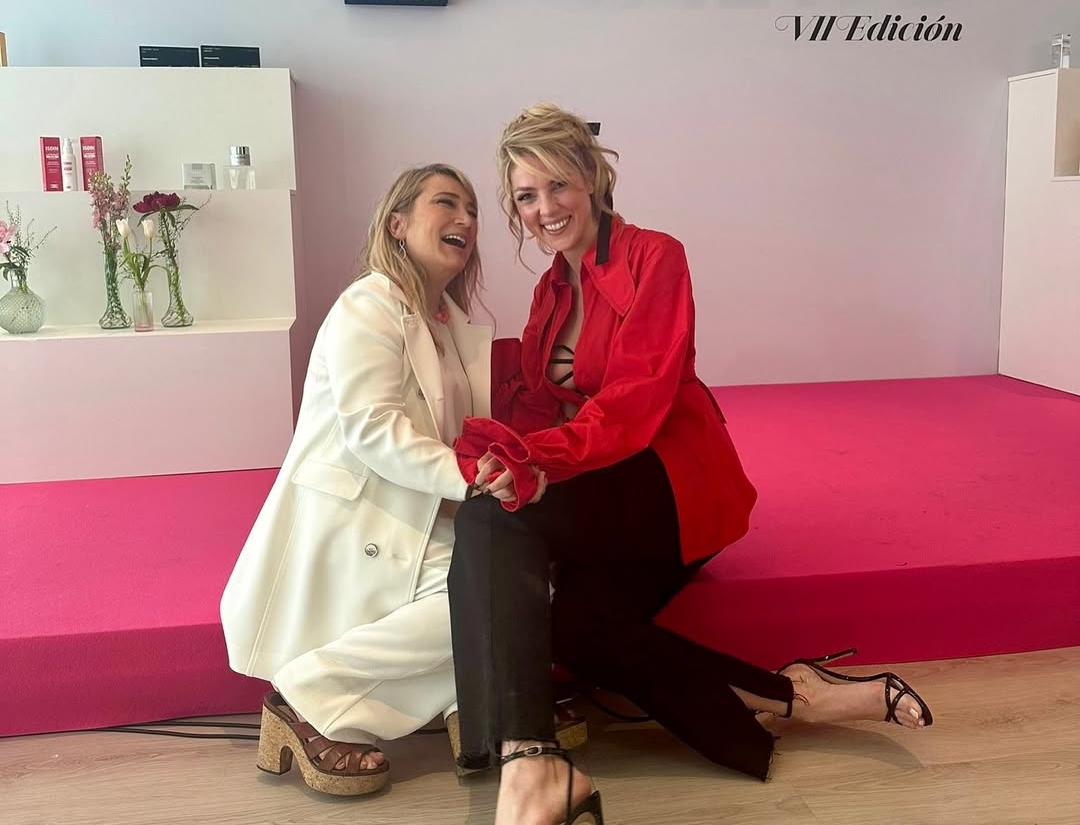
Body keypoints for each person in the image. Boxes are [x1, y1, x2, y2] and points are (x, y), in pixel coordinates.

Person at [447, 104, 934, 825]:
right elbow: (545, 405)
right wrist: (497, 449)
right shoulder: (549, 293)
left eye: (558, 185)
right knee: (577, 629)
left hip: (672, 482)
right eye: (526, 195)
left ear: (591, 178)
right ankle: (795, 694)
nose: (545, 208)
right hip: (606, 482)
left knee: (495, 521)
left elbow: (635, 401)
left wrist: (533, 462)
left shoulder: (655, 256)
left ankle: (529, 759)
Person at [221, 163, 497, 796]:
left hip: (425, 510)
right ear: (397, 224)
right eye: (446, 203)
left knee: (519, 580)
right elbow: (371, 428)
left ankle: (466, 701)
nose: (465, 219)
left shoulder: (449, 323)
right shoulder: (368, 305)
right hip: (362, 512)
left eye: (473, 210)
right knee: (485, 598)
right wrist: (469, 479)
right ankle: (309, 695)